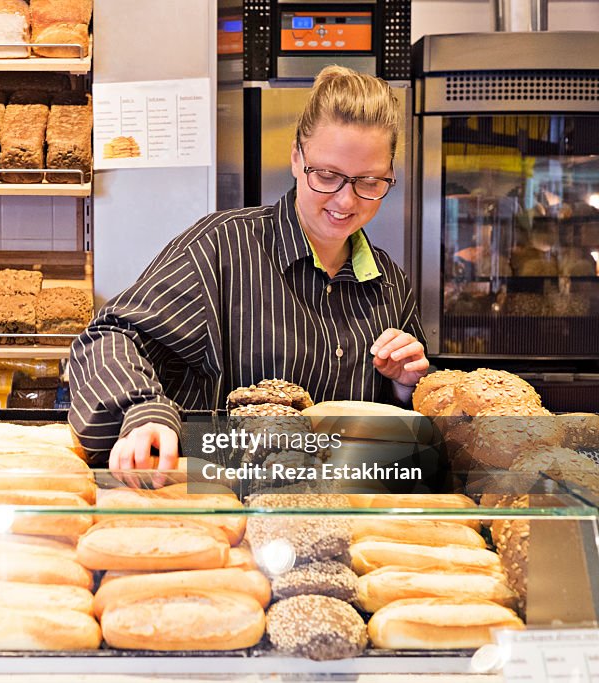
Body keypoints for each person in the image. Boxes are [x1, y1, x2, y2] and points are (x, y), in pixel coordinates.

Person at [69, 65, 429, 471]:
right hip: (222, 508)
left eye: (368, 181)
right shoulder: (221, 249)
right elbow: (108, 337)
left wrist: (403, 387)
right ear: (297, 159)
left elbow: (394, 437)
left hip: (341, 512)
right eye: (327, 176)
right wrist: (143, 413)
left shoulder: (391, 285)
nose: (345, 201)